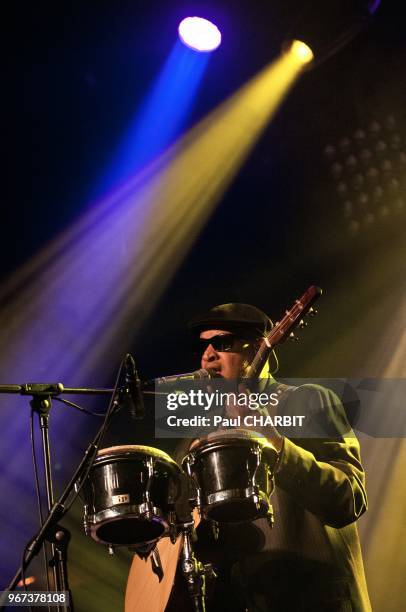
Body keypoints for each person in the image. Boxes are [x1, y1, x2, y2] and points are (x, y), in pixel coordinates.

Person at [126, 303, 371, 612]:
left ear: (258, 346)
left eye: (223, 343)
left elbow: (350, 498)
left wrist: (273, 441)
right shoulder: (201, 435)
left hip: (312, 599)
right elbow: (179, 526)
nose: (208, 355)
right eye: (203, 345)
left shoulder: (308, 400)